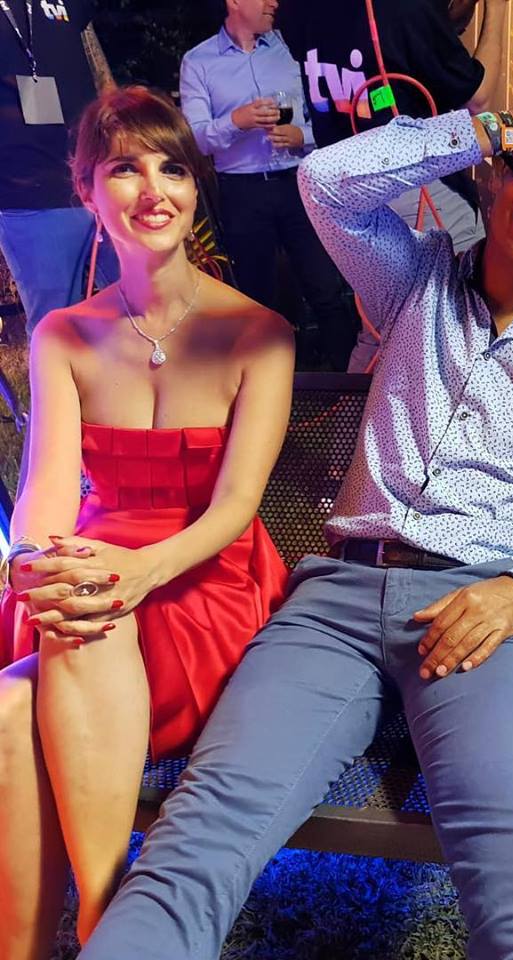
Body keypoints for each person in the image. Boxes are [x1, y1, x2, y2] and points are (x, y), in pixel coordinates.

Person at [77, 85, 513, 960]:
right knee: (196, 842)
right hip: (334, 603)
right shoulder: (413, 277)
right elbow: (324, 181)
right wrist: (499, 123)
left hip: (480, 610)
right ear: (491, 176)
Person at [0, 85, 293, 958]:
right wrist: (34, 562)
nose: (153, 190)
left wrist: (130, 574)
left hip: (204, 582)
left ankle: (105, 927)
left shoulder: (259, 333)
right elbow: (46, 489)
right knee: (9, 709)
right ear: (88, 190)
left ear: (197, 189)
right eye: (125, 169)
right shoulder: (63, 334)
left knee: (77, 633)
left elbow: (236, 508)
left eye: (174, 169)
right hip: (91, 572)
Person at [276, 0, 509, 371]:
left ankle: (355, 407)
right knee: (464, 326)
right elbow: (477, 99)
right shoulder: (405, 8)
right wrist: (496, 11)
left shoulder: (297, 10)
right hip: (418, 189)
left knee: (380, 330)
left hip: (352, 196)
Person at [179, 0, 357, 370]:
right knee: (259, 297)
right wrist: (235, 121)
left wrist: (303, 136)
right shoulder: (198, 62)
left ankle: (347, 380)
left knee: (325, 288)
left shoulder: (295, 50)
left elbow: (330, 114)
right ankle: (274, 382)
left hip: (300, 183)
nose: (275, 2)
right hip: (242, 192)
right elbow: (195, 139)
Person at [0, 0, 119, 336]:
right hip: (29, 195)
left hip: (99, 181)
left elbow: (95, 63)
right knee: (57, 327)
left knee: (141, 306)